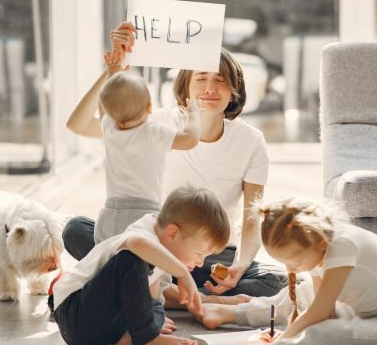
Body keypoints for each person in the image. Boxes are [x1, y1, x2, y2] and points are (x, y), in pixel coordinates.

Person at [63, 21, 286, 298]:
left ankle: (147, 293)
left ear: (233, 91)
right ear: (186, 87)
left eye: (220, 80)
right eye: (201, 78)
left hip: (211, 255)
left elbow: (253, 218)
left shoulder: (250, 140)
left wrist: (240, 266)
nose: (210, 88)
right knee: (75, 230)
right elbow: (79, 125)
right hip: (157, 247)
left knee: (274, 280)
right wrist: (113, 71)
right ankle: (185, 297)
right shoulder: (157, 123)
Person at [50, 187, 230, 345]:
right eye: (200, 254)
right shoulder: (144, 235)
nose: (201, 263)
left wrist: (152, 319)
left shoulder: (158, 252)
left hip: (101, 330)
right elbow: (135, 243)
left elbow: (149, 298)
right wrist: (182, 273)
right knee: (131, 259)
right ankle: (147, 339)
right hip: (75, 314)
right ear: (173, 233)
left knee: (156, 307)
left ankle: (132, 337)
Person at [197, 196, 377, 345]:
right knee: (301, 294)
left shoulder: (342, 246)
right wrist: (288, 334)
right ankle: (232, 311)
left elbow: (322, 313)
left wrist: (285, 338)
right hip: (358, 305)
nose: (290, 270)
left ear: (319, 245)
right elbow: (322, 309)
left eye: (295, 264)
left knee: (321, 333)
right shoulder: (318, 242)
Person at [88, 48, 200, 243]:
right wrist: (194, 116)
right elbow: (190, 140)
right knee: (150, 266)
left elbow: (106, 106)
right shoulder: (155, 132)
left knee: (107, 259)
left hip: (110, 213)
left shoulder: (108, 128)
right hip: (144, 213)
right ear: (149, 107)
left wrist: (113, 71)